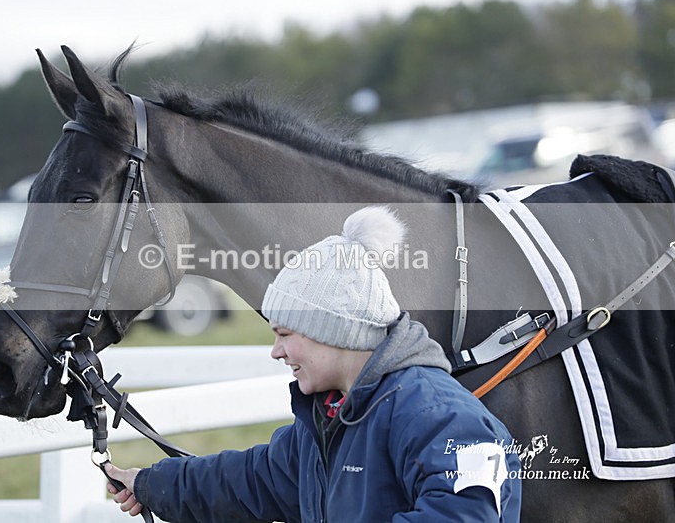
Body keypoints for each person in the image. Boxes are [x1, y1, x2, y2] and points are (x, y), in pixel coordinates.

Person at [105, 205, 522, 522]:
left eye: (285, 335)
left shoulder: (440, 417)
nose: (276, 352)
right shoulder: (325, 422)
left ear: (334, 332)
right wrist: (149, 483)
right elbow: (245, 480)